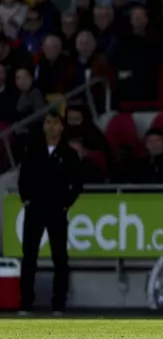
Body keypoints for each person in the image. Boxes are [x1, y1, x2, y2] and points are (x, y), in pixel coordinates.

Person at [18, 111, 82, 314]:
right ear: (44, 126)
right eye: (48, 122)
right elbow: (23, 178)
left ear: (62, 128)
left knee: (60, 258)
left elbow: (77, 183)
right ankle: (26, 302)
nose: (52, 127)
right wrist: (26, 200)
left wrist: (66, 204)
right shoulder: (32, 151)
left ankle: (59, 303)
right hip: (35, 209)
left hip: (56, 210)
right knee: (29, 257)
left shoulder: (69, 154)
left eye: (56, 123)